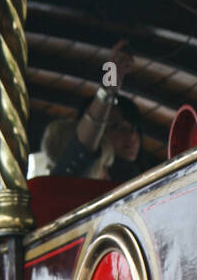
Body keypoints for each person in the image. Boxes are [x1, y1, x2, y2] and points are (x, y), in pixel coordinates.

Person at [52, 40, 146, 184]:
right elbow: (83, 147)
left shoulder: (143, 180)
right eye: (117, 127)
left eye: (134, 128)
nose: (132, 136)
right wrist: (108, 91)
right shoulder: (69, 180)